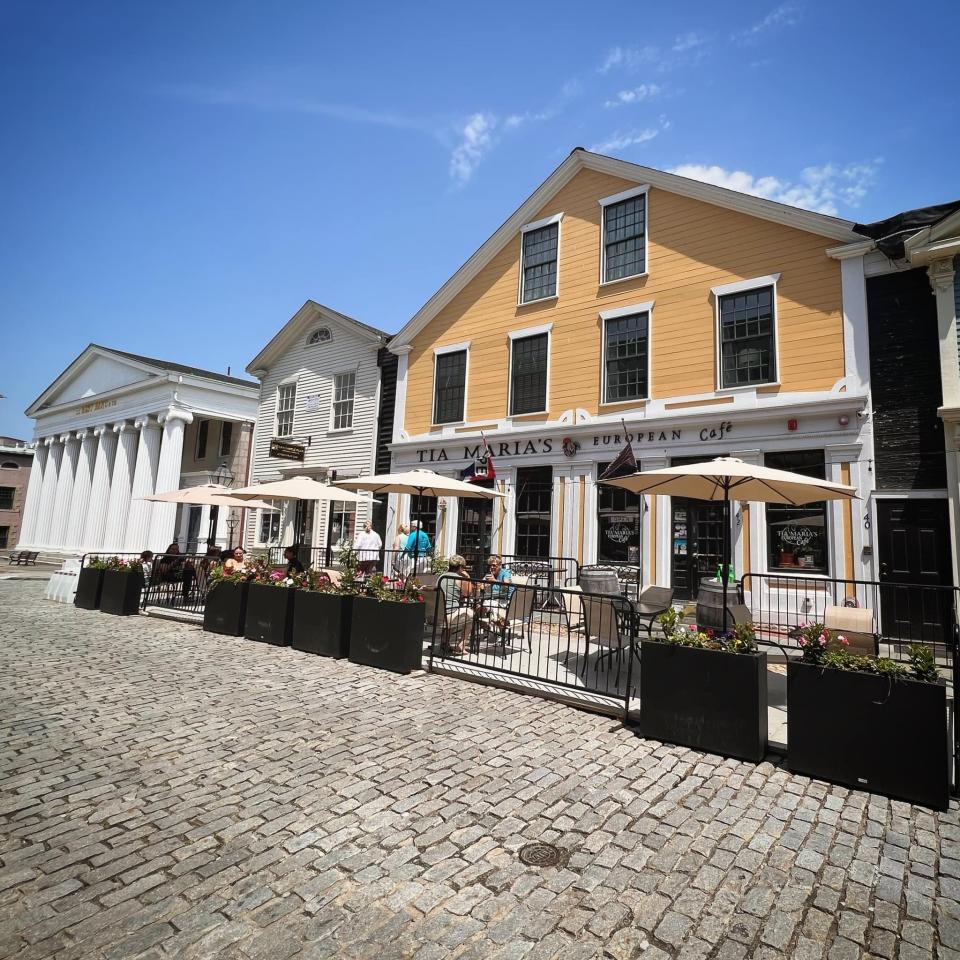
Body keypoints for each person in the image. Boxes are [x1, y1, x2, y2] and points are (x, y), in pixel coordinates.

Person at [438, 555, 475, 654]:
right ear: (461, 567)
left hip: (438, 614)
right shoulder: (460, 579)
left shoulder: (441, 577)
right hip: (450, 615)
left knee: (456, 613)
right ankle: (461, 645)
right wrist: (467, 577)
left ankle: (444, 642)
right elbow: (469, 593)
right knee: (471, 615)